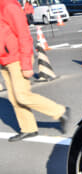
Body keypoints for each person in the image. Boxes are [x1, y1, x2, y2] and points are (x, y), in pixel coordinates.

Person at [0, 0, 70, 142]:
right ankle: (28, 128)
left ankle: (60, 111)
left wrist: (26, 64)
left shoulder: (8, 6)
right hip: (4, 59)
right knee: (14, 98)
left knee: (22, 96)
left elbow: (24, 35)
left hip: (17, 57)